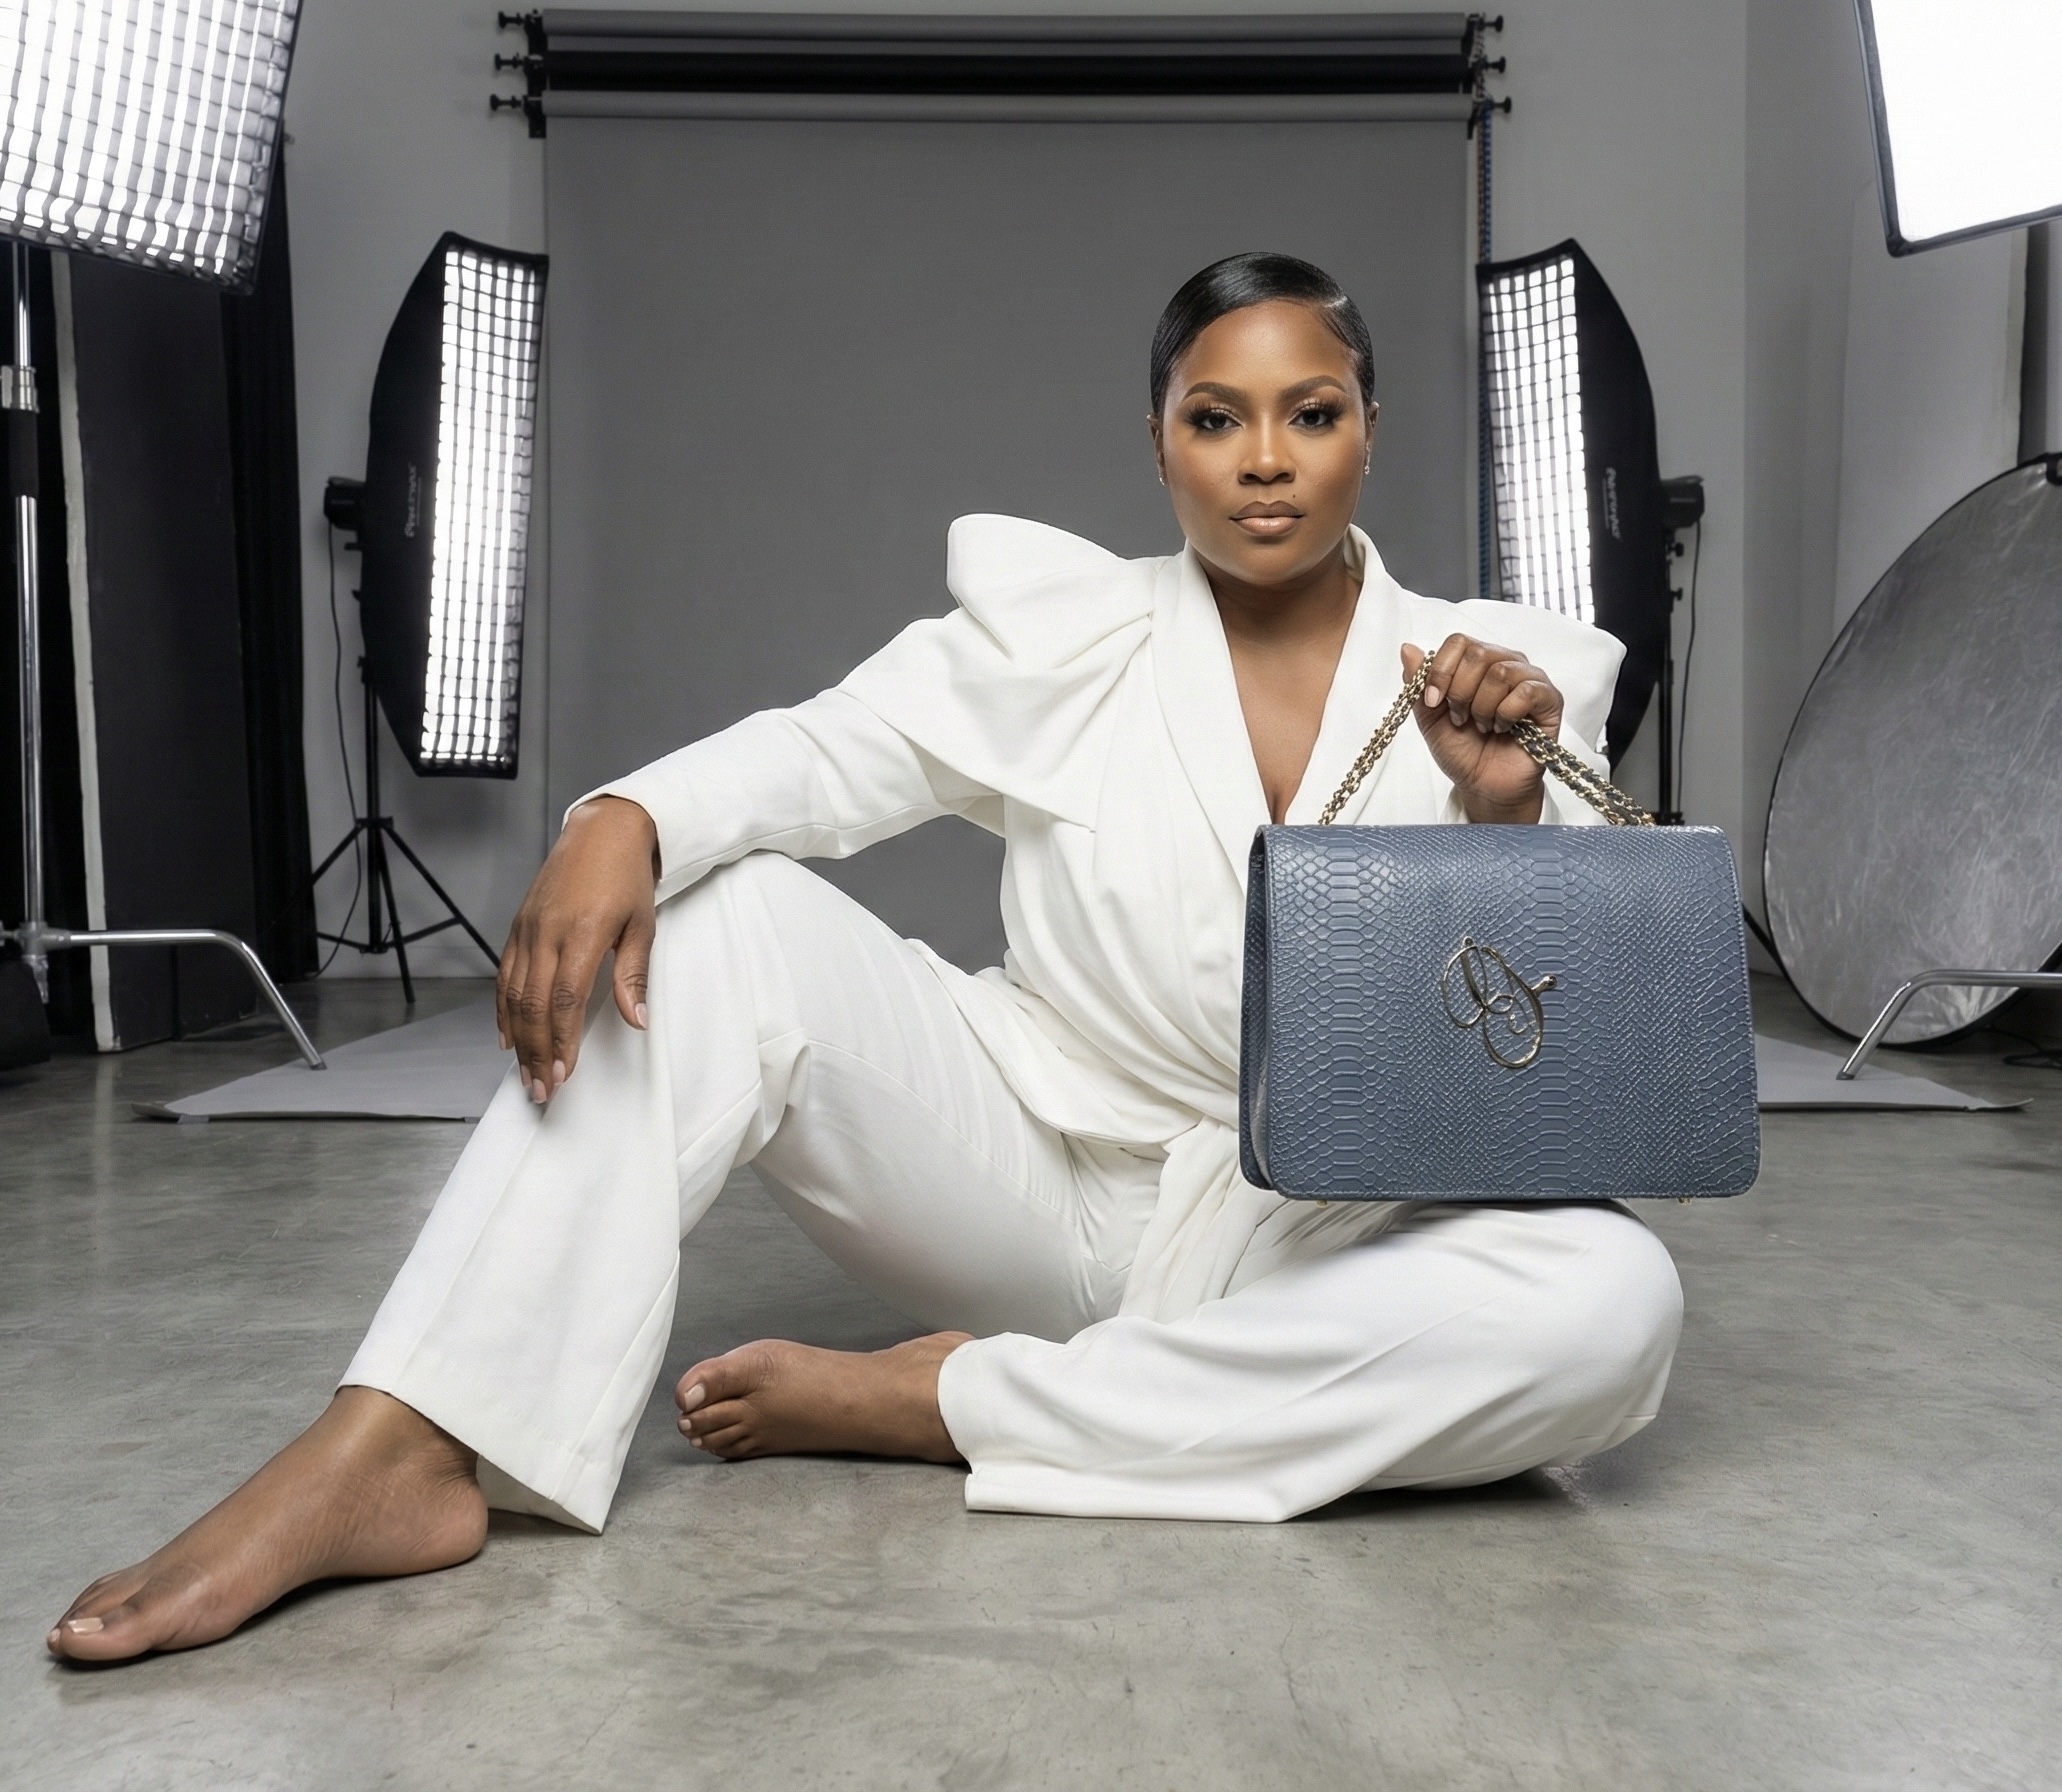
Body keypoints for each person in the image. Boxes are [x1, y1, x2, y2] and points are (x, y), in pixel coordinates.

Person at [48, 253, 1682, 1663]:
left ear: (1368, 427)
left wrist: (1499, 808)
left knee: (1614, 1306)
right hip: (1039, 1174)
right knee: (724, 913)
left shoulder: (1505, 678)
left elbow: (1548, 1058)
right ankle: (408, 1435)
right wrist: (624, 817)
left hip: (1321, 1231)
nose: (1264, 460)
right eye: (1214, 417)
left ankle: (943, 1406)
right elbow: (821, 755)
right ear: (1158, 440)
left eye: (1309, 413)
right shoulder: (1068, 633)